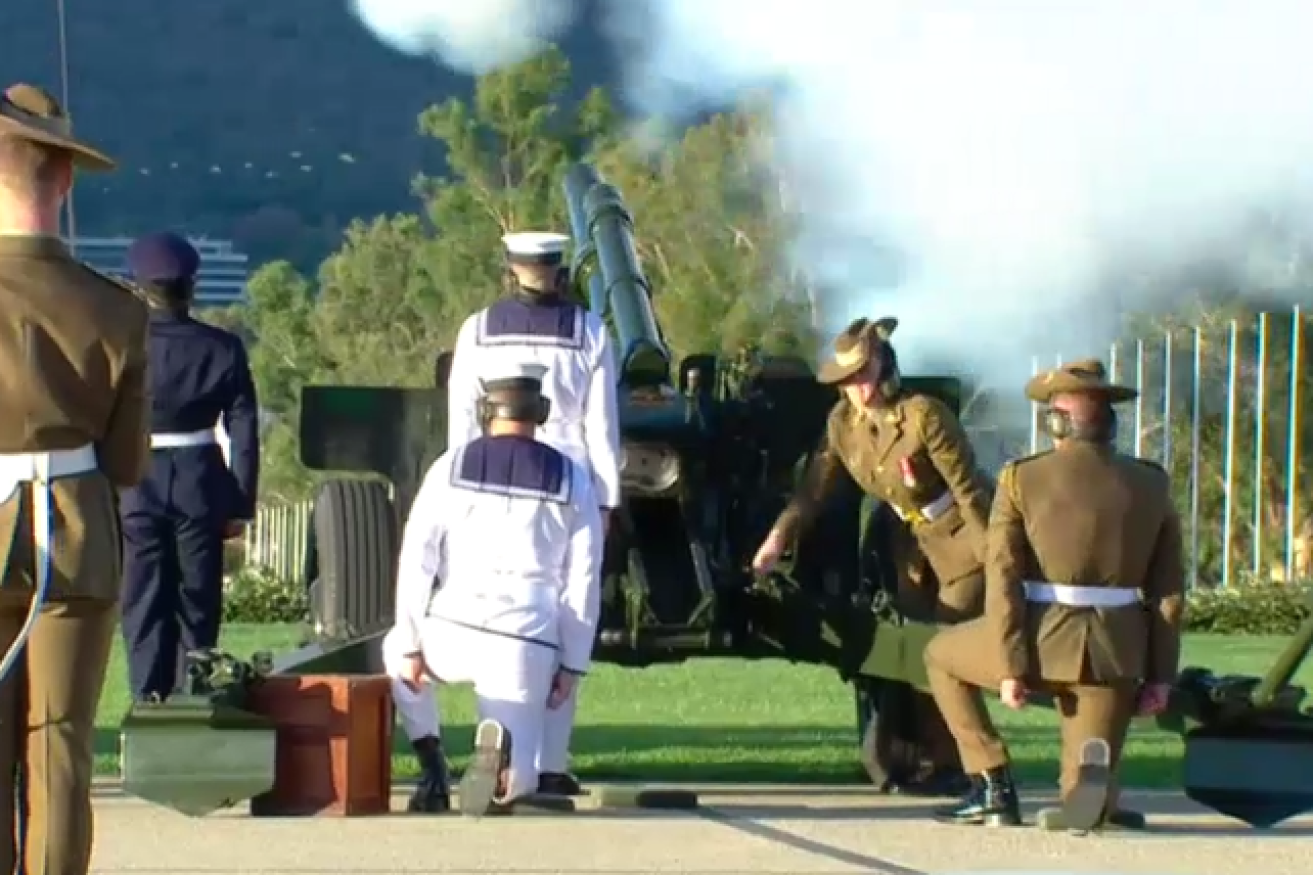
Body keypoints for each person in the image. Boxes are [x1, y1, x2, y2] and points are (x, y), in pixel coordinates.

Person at [922, 359, 1184, 832]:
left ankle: (992, 784)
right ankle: (1093, 791)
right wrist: (1161, 676)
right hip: (1117, 654)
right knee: (1084, 801)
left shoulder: (1023, 478)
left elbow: (1003, 579)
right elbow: (1168, 592)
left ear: (1057, 421)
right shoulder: (1151, 482)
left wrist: (1009, 667)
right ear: (1110, 422)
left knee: (940, 654)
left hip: (1041, 640)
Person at [0, 83, 149, 875]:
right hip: (74, 536)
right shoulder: (117, 311)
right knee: (57, 751)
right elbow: (127, 463)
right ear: (63, 181)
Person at [752, 316, 992, 794]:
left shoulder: (924, 415)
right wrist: (776, 540)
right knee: (917, 652)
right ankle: (933, 762)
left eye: (862, 377)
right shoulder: (842, 425)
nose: (856, 390)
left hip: (961, 538)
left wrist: (999, 561)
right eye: (846, 381)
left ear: (884, 370)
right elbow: (813, 493)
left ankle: (974, 768)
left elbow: (970, 493)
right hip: (909, 543)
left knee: (946, 650)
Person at [384, 361, 604, 816]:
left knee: (393, 652)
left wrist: (409, 643)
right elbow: (582, 581)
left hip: (453, 627)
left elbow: (417, 557)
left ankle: (432, 767)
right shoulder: (573, 478)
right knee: (517, 790)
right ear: (541, 411)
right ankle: (504, 762)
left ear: (486, 408)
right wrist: (573, 664)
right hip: (525, 639)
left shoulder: (450, 465)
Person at [445, 230, 619, 796]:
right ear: (558, 269)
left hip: (489, 470)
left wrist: (460, 482)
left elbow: (461, 420)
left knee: (496, 608)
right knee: (564, 609)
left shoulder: (478, 328)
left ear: (510, 268)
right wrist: (608, 497)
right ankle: (550, 760)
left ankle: (498, 748)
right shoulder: (590, 330)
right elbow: (601, 427)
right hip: (567, 479)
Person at [118, 231, 260, 701]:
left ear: (138, 286)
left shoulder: (124, 345)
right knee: (198, 602)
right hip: (200, 480)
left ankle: (146, 700)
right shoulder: (222, 347)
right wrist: (240, 501)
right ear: (192, 285)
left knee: (142, 598)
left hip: (135, 480)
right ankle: (193, 699)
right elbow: (243, 430)